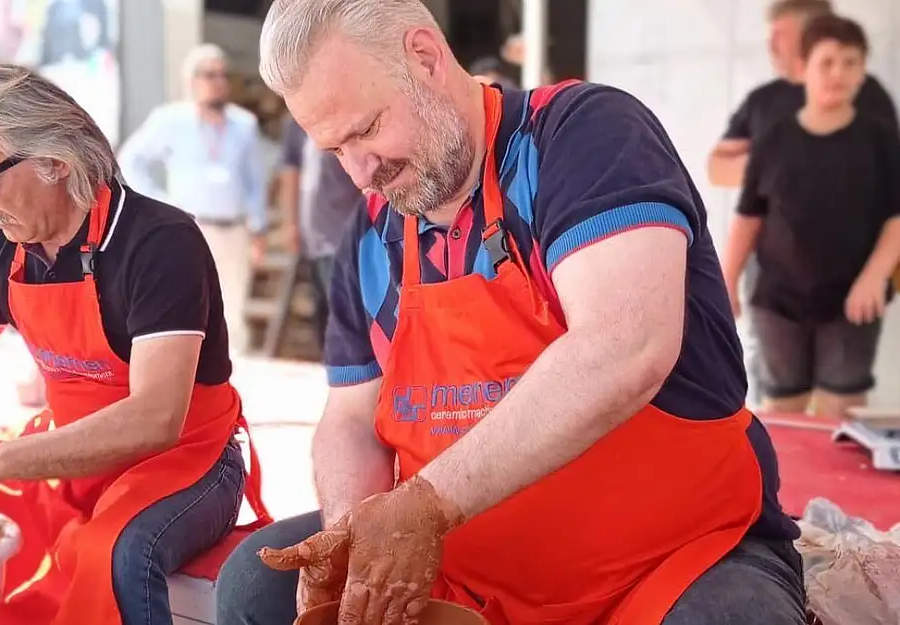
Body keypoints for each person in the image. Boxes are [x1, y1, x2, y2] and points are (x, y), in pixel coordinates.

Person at [216, 1, 805, 625]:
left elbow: (627, 345)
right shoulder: (369, 234)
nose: (361, 173)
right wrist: (351, 541)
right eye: (336, 149)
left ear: (425, 56)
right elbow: (351, 421)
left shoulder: (585, 135)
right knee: (255, 586)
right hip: (463, 569)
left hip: (667, 562)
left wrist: (426, 504)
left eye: (364, 130)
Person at [0, 62, 271, 625]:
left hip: (189, 460)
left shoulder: (159, 242)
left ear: (53, 160)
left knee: (118, 553)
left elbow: (154, 419)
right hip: (68, 456)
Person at [705, 0, 897, 410]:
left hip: (850, 300)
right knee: (781, 414)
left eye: (849, 63)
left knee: (839, 418)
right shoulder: (769, 127)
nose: (837, 73)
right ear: (806, 65)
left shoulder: (877, 129)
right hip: (777, 298)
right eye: (826, 63)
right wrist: (726, 280)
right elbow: (743, 208)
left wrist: (875, 277)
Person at [119, 44, 269, 354]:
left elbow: (256, 182)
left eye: (223, 75)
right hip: (189, 229)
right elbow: (131, 159)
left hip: (233, 230)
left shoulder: (245, 124)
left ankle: (231, 386)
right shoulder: (170, 120)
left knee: (233, 309)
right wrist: (161, 205)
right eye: (209, 74)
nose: (218, 81)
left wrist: (259, 228)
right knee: (185, 304)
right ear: (191, 80)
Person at [707, 0, 896, 188]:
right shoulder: (762, 100)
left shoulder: (863, 91)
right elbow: (717, 169)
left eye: (779, 35)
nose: (771, 46)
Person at [278, 114, 365, 349]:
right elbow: (290, 174)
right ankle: (331, 365)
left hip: (343, 232)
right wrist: (291, 224)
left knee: (342, 307)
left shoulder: (344, 118)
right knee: (322, 308)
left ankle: (352, 366)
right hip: (312, 235)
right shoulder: (294, 125)